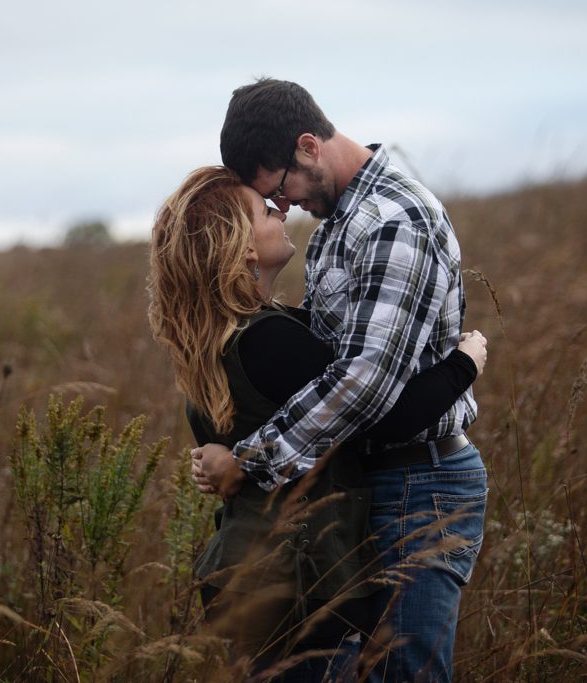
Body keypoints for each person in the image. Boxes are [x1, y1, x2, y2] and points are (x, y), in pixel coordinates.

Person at [192, 78, 488, 682]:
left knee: (407, 674)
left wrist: (248, 461)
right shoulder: (336, 222)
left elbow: (365, 379)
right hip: (373, 479)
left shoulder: (389, 219)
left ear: (308, 146)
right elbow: (326, 361)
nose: (284, 206)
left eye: (280, 188)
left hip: (419, 480)